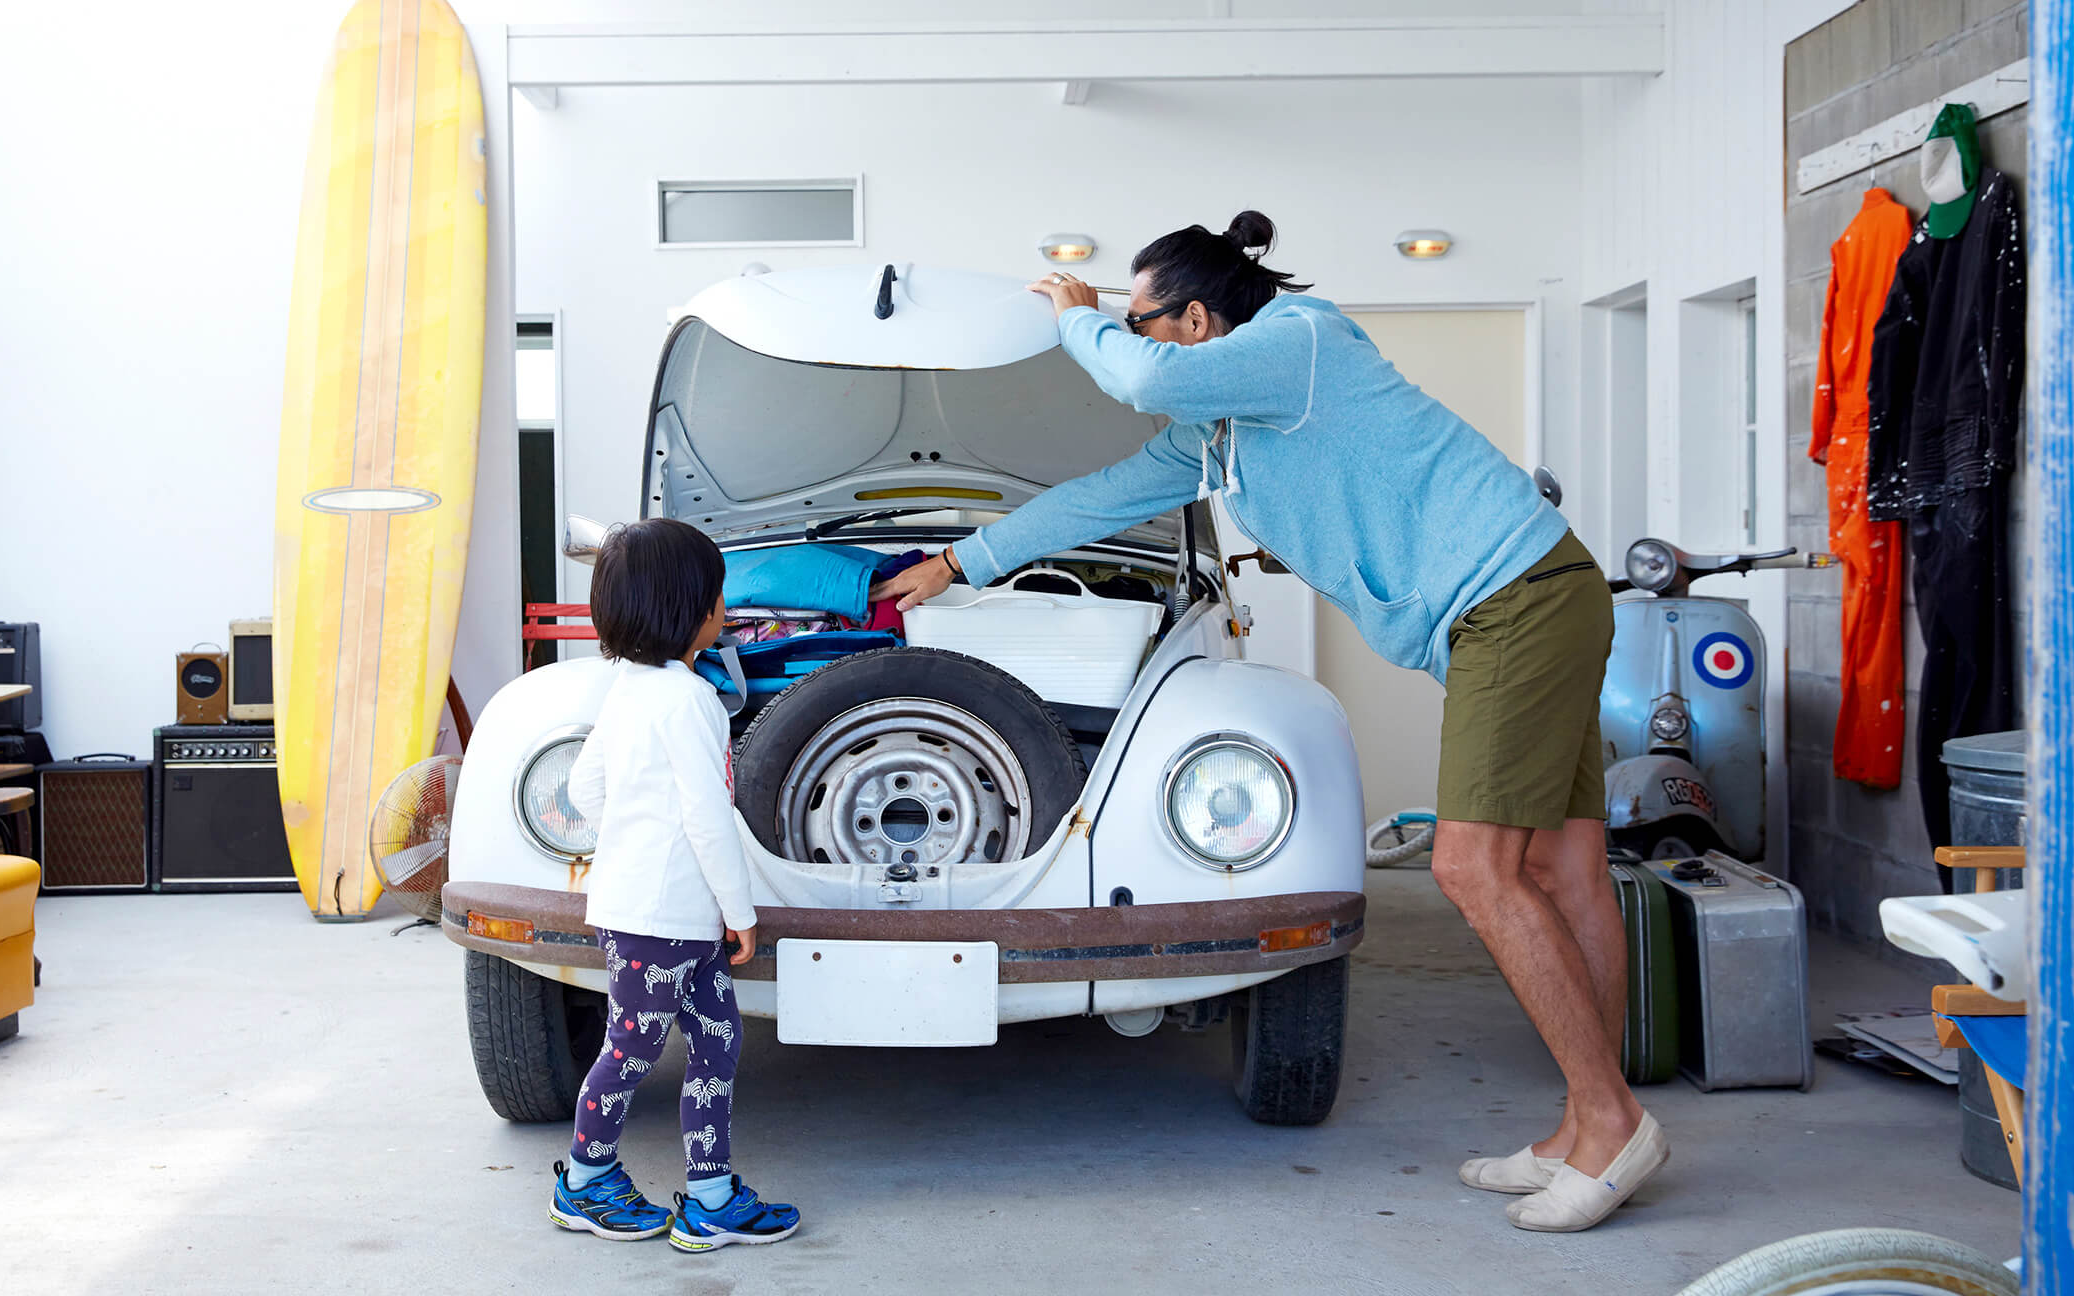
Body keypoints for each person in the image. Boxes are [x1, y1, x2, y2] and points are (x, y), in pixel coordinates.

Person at [870, 212, 1666, 1232]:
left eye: (1142, 320)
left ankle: (1609, 1126)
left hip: (1513, 598)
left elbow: (1141, 380)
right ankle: (1589, 1119)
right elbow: (1100, 496)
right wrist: (957, 563)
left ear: (1198, 320)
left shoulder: (1302, 340)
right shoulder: (1225, 434)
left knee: (1473, 869)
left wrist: (1077, 315)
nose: (1134, 338)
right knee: (1561, 868)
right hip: (1529, 595)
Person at [549, 517, 802, 1252]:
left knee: (715, 1045)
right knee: (629, 1051)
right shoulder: (688, 699)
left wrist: (631, 840)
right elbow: (707, 817)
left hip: (660, 914)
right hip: (667, 919)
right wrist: (740, 911)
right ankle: (586, 1183)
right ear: (694, 608)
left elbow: (585, 787)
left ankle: (712, 1194)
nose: (723, 607)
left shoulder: (630, 687)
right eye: (718, 594)